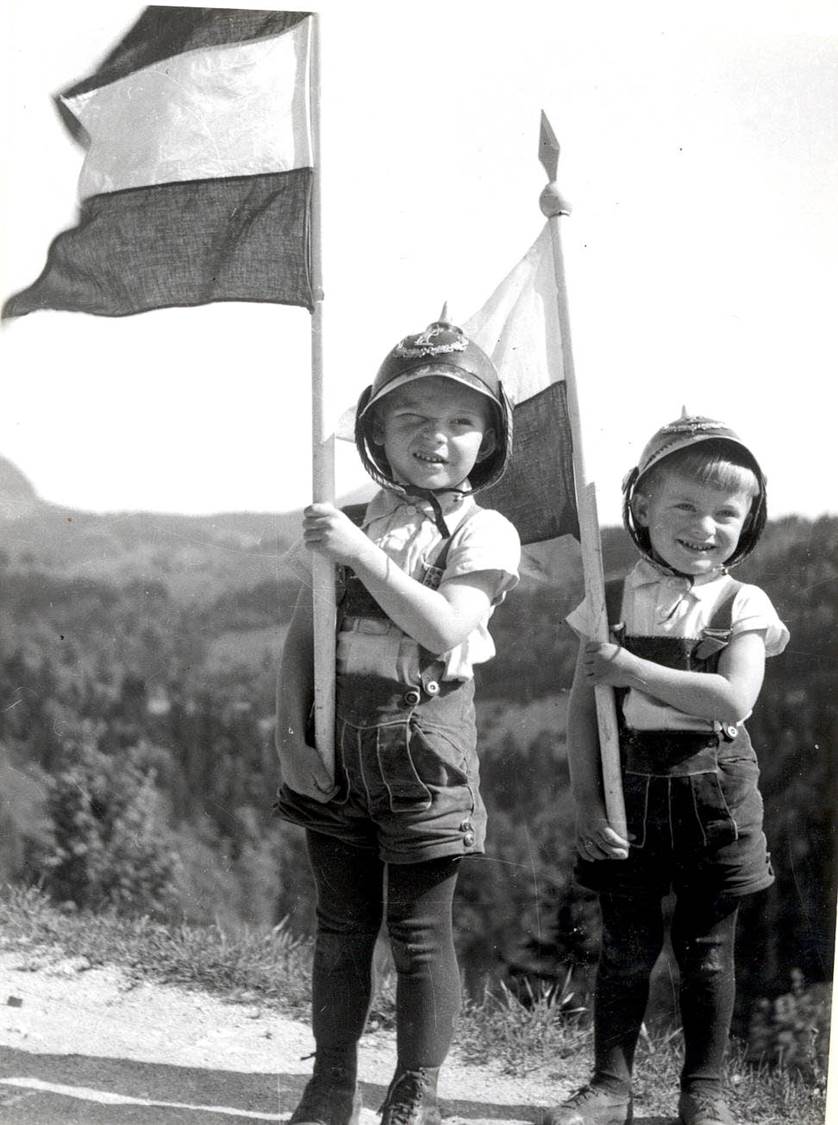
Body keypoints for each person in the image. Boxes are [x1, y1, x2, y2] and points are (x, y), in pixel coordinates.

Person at [274, 314, 521, 1125]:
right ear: (376, 428)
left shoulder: (485, 531)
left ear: (486, 437)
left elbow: (447, 626)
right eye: (412, 418)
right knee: (342, 924)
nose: (436, 437)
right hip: (336, 751)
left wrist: (357, 553)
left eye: (459, 420)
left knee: (419, 931)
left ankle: (414, 1091)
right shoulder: (353, 518)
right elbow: (302, 638)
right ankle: (331, 1080)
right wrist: (291, 737)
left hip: (422, 752)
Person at [543, 415, 789, 1125]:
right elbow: (583, 710)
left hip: (716, 795)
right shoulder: (611, 598)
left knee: (708, 950)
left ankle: (703, 1088)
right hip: (632, 794)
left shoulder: (742, 603)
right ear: (643, 508)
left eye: (726, 513)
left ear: (749, 522)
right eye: (683, 505)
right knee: (624, 945)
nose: (704, 526)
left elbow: (732, 697)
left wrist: (628, 666)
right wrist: (590, 803)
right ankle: (609, 1085)